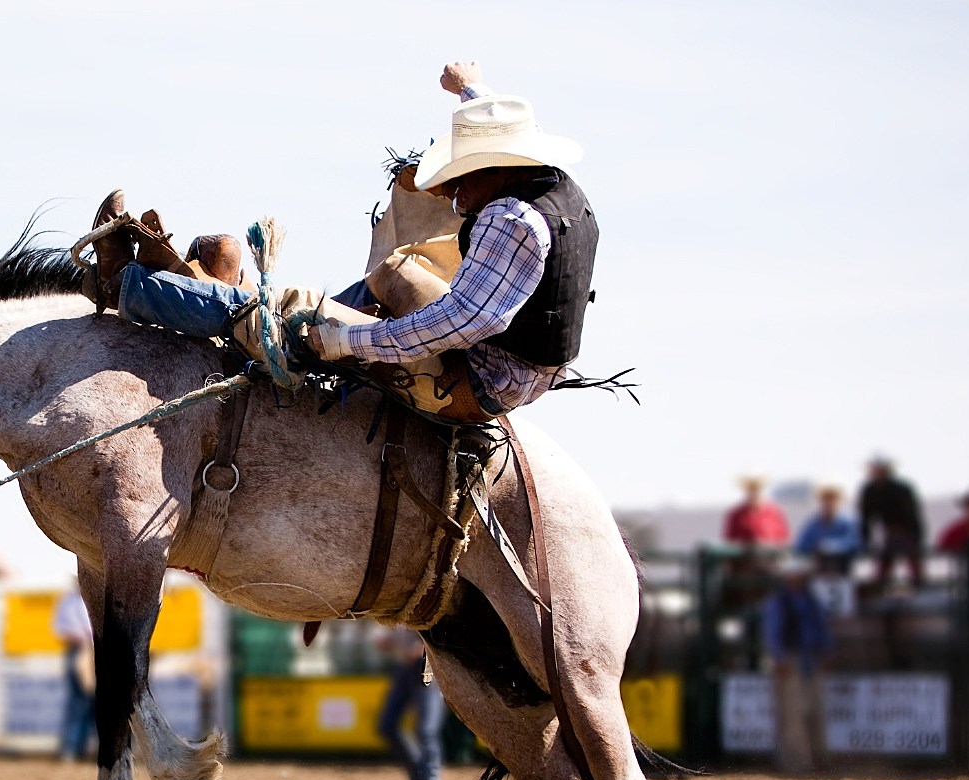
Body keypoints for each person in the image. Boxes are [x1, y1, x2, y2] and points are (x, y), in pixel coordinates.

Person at [84, 59, 596, 420]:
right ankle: (242, 309)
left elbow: (460, 323)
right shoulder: (545, 183)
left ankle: (125, 285)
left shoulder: (512, 220)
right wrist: (471, 90)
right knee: (395, 271)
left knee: (298, 310)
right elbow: (496, 131)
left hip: (472, 381)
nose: (455, 194)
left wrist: (346, 340)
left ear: (497, 166)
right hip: (504, 361)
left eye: (462, 177)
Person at [762, 558, 831, 774]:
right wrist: (780, 657)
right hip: (791, 660)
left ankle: (817, 758)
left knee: (814, 710)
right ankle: (797, 762)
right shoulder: (780, 602)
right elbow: (772, 633)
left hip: (810, 658)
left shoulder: (809, 600)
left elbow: (821, 627)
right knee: (793, 713)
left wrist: (826, 650)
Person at [375, 627, 443, 780]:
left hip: (427, 667)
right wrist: (390, 641)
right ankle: (417, 778)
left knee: (426, 731)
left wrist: (421, 648)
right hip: (404, 669)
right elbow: (386, 640)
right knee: (387, 725)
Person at [858, 457, 925, 590]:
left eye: (881, 469)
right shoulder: (870, 491)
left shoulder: (902, 489)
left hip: (907, 532)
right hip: (888, 534)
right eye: (875, 469)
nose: (878, 473)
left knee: (915, 568)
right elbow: (866, 518)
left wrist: (916, 537)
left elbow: (912, 515)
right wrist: (865, 541)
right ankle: (879, 593)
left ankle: (921, 589)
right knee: (882, 570)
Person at [794, 485, 859, 616]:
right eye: (825, 499)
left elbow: (855, 543)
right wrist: (815, 546)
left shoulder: (848, 522)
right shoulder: (813, 523)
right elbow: (801, 546)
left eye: (833, 499)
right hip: (818, 572)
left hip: (843, 571)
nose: (829, 503)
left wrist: (831, 546)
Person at [53, 584, 95, 760]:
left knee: (91, 702)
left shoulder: (70, 601)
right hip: (82, 650)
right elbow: (61, 629)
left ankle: (78, 747)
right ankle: (73, 747)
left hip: (93, 649)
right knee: (80, 701)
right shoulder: (70, 601)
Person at [723, 476, 790, 548]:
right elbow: (730, 539)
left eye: (757, 490)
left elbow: (783, 537)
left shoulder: (774, 512)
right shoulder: (737, 514)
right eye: (751, 490)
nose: (754, 493)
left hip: (769, 555)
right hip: (746, 556)